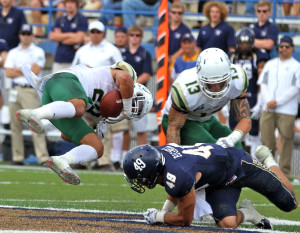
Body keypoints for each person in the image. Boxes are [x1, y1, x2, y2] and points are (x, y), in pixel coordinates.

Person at [16, 61, 153, 185]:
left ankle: (63, 160)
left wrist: (89, 127)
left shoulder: (103, 117)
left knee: (97, 147)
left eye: (138, 109)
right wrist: (128, 108)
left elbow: (66, 136)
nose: (134, 107)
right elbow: (125, 78)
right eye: (136, 102)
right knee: (79, 107)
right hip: (63, 81)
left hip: (55, 104)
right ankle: (36, 114)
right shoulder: (116, 75)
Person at [123, 143, 297, 229]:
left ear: (152, 171)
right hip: (219, 182)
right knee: (227, 224)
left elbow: (185, 219)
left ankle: (269, 161)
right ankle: (249, 213)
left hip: (239, 164)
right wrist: (165, 211)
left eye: (140, 178)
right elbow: (175, 186)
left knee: (290, 204)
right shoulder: (159, 159)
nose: (139, 182)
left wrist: (158, 217)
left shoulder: (178, 173)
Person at [162, 47, 251, 148]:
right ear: (200, 79)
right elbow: (174, 127)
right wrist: (174, 158)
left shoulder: (238, 79)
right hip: (184, 121)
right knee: (212, 150)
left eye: (221, 83)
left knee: (236, 147)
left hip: (207, 119)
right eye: (210, 84)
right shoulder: (185, 88)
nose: (216, 88)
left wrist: (232, 138)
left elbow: (245, 119)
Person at [72, 20, 124, 171]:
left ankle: (104, 160)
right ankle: (81, 159)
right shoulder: (82, 51)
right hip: (85, 92)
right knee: (82, 126)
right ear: (89, 33)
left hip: (104, 93)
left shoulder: (111, 50)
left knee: (103, 126)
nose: (95, 35)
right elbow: (73, 68)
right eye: (92, 32)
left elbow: (122, 70)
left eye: (98, 32)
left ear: (103, 33)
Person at [255, 36, 300, 178]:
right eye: (281, 46)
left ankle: (285, 173)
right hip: (269, 108)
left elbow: (295, 88)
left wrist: (277, 101)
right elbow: (263, 83)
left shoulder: (296, 66)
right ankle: (267, 171)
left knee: (286, 140)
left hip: (286, 109)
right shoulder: (270, 64)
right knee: (266, 140)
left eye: (287, 46)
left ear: (292, 48)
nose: (284, 49)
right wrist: (269, 100)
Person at [4, 24, 49, 165]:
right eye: (23, 33)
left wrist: (17, 70)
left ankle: (42, 157)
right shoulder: (12, 52)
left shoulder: (38, 51)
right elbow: (7, 72)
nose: (25, 36)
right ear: (20, 35)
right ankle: (17, 157)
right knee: (14, 124)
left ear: (32, 35)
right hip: (14, 89)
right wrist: (25, 70)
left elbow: (36, 70)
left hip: (29, 89)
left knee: (34, 122)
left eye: (28, 33)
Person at [227, 27, 268, 156]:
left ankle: (255, 161)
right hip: (235, 97)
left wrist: (260, 100)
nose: (244, 46)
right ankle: (236, 160)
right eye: (242, 43)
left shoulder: (258, 56)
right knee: (234, 131)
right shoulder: (231, 56)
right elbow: (226, 79)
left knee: (254, 132)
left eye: (247, 43)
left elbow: (261, 80)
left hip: (252, 96)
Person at [118, 25, 153, 146]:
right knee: (123, 129)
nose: (134, 37)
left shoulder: (145, 54)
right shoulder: (121, 54)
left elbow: (147, 75)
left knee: (141, 130)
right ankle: (122, 158)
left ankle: (141, 156)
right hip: (121, 94)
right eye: (132, 35)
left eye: (137, 35)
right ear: (128, 37)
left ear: (141, 38)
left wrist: (129, 84)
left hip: (139, 96)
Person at [49, 0, 88, 72]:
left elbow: (79, 39)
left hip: (75, 61)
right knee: (55, 82)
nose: (70, 5)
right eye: (67, 2)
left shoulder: (82, 19)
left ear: (77, 4)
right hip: (59, 59)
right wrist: (72, 35)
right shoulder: (60, 19)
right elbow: (51, 36)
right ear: (65, 4)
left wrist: (60, 37)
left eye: (72, 2)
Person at [168, 2, 191, 67]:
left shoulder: (186, 30)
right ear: (170, 13)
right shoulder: (163, 28)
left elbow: (185, 47)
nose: (176, 15)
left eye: (179, 13)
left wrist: (172, 58)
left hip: (179, 62)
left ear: (183, 14)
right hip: (163, 62)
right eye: (174, 12)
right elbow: (157, 45)